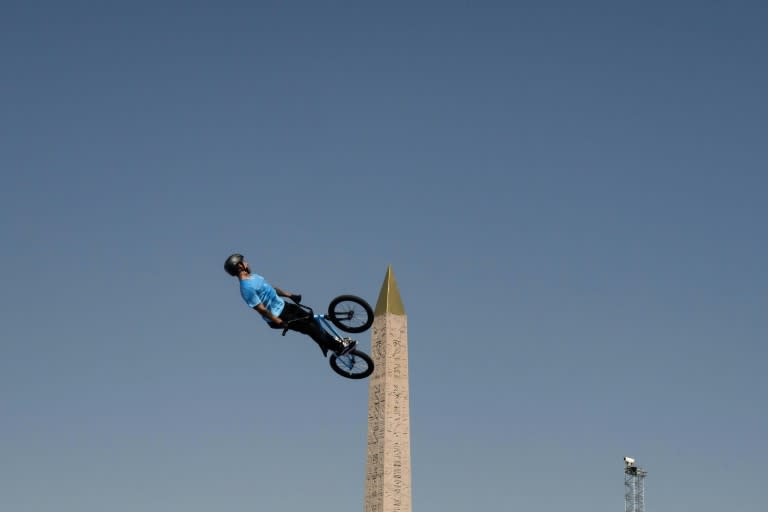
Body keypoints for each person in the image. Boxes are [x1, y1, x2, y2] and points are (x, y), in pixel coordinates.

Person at [224, 253, 356, 356]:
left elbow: (272, 289)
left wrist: (290, 295)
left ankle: (332, 342)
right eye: (244, 261)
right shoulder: (246, 288)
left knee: (313, 320)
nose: (247, 262)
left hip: (285, 306)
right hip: (278, 317)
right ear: (240, 266)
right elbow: (261, 309)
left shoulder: (254, 277)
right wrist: (278, 321)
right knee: (310, 328)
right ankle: (339, 349)